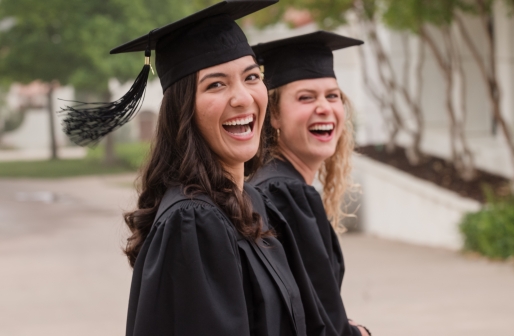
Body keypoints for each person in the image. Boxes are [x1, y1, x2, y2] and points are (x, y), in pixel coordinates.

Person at [61, 1, 329, 335]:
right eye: (216, 84)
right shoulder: (195, 222)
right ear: (183, 110)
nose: (243, 97)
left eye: (251, 77)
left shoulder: (249, 201)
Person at [249, 31, 371, 336]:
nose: (325, 107)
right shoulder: (285, 193)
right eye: (306, 97)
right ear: (273, 114)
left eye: (333, 96)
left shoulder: (270, 183)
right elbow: (321, 324)